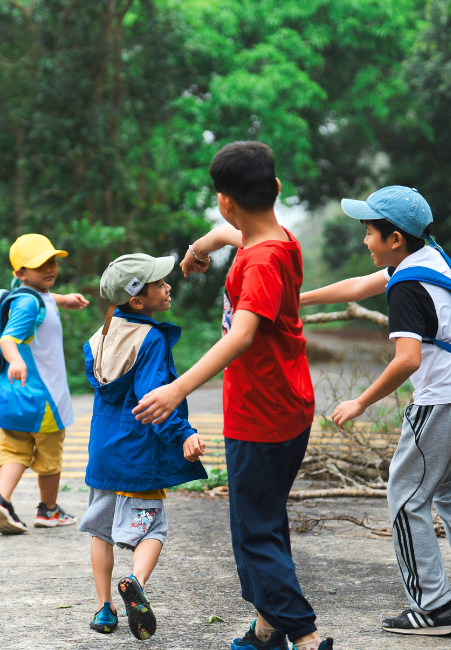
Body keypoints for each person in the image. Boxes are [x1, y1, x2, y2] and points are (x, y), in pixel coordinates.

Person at [132, 142, 333, 650]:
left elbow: (240, 336)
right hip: (288, 403)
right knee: (264, 519)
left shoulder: (261, 261)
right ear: (276, 189)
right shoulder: (278, 239)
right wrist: (196, 252)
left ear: (225, 199)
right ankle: (266, 631)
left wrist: (176, 388)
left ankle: (305, 637)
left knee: (254, 534)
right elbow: (227, 234)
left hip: (262, 414)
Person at [299, 185, 451, 636]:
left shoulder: (406, 288)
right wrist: (296, 299)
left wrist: (360, 401)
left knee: (406, 499)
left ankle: (433, 607)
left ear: (394, 238)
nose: (364, 241)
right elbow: (358, 286)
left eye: (369, 232)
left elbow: (407, 360)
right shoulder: (431, 260)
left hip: (443, 403)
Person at [79, 253, 208, 641]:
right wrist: (183, 432)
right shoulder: (150, 338)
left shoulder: (97, 339)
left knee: (101, 532)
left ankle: (105, 609)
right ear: (137, 300)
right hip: (139, 454)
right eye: (159, 283)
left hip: (104, 454)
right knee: (153, 528)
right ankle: (134, 581)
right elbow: (152, 397)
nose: (168, 287)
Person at [0, 233, 89, 535]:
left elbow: (41, 299)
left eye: (52, 261)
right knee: (49, 456)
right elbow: (8, 338)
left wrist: (64, 300)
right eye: (40, 264)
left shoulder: (26, 295)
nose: (50, 268)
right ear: (20, 273)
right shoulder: (28, 305)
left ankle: (1, 501)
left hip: (13, 396)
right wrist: (15, 358)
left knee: (15, 450)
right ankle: (49, 510)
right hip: (43, 398)